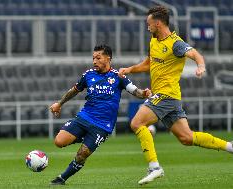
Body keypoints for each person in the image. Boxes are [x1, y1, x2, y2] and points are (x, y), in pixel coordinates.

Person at [119, 6, 233, 185]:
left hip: (167, 94)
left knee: (137, 122)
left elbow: (195, 54)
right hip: (169, 98)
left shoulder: (175, 43)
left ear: (158, 23)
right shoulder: (154, 40)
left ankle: (154, 167)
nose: (147, 27)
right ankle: (229, 146)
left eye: (149, 24)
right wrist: (130, 69)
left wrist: (201, 66)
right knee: (187, 138)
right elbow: (148, 64)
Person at [49, 44, 152, 185]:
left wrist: (144, 93)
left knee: (82, 154)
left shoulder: (118, 77)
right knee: (59, 142)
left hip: (102, 125)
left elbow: (135, 91)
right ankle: (85, 137)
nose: (94, 61)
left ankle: (62, 178)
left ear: (108, 58)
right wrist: (59, 104)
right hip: (85, 117)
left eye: (98, 58)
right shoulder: (88, 75)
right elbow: (74, 90)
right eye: (93, 58)